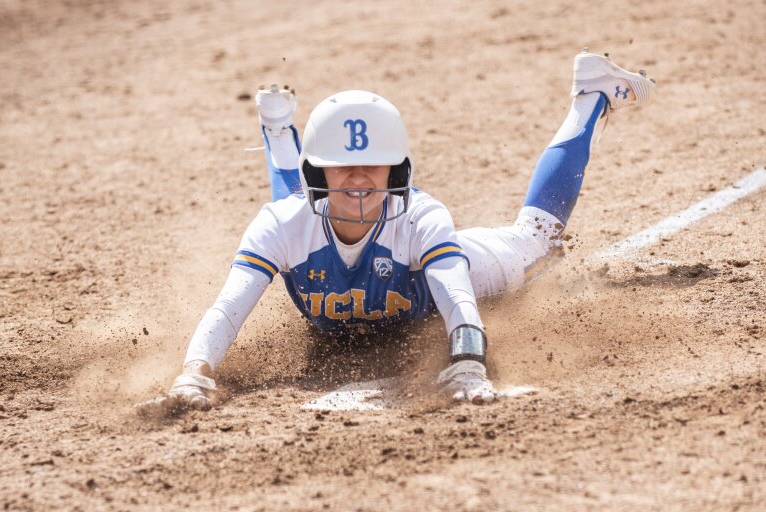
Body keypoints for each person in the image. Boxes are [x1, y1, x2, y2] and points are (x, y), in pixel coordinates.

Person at [137, 49, 655, 414]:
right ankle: (279, 133)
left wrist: (469, 360)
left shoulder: (423, 218)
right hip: (309, 221)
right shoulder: (285, 222)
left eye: (374, 167)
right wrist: (194, 374)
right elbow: (228, 308)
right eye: (342, 168)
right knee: (297, 218)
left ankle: (590, 95)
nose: (360, 180)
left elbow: (456, 295)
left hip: (455, 266)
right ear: (315, 171)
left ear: (398, 172)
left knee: (540, 241)